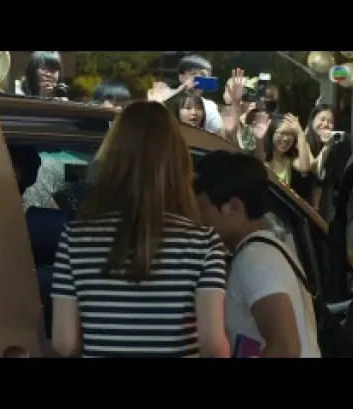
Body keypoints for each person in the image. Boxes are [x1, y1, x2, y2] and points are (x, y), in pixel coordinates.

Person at [50, 101, 230, 358]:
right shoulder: (203, 242)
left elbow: (64, 343)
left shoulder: (75, 238)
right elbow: (212, 344)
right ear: (177, 161)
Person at [193, 150, 321, 358]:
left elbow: (286, 349)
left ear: (233, 207)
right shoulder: (264, 249)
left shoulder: (255, 258)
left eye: (202, 208)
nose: (197, 219)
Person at [301, 104, 350, 220]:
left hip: (315, 209)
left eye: (330, 122)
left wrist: (316, 207)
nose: (326, 125)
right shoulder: (303, 142)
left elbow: (321, 179)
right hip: (297, 203)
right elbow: (315, 169)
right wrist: (327, 146)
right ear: (312, 120)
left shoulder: (333, 147)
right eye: (322, 119)